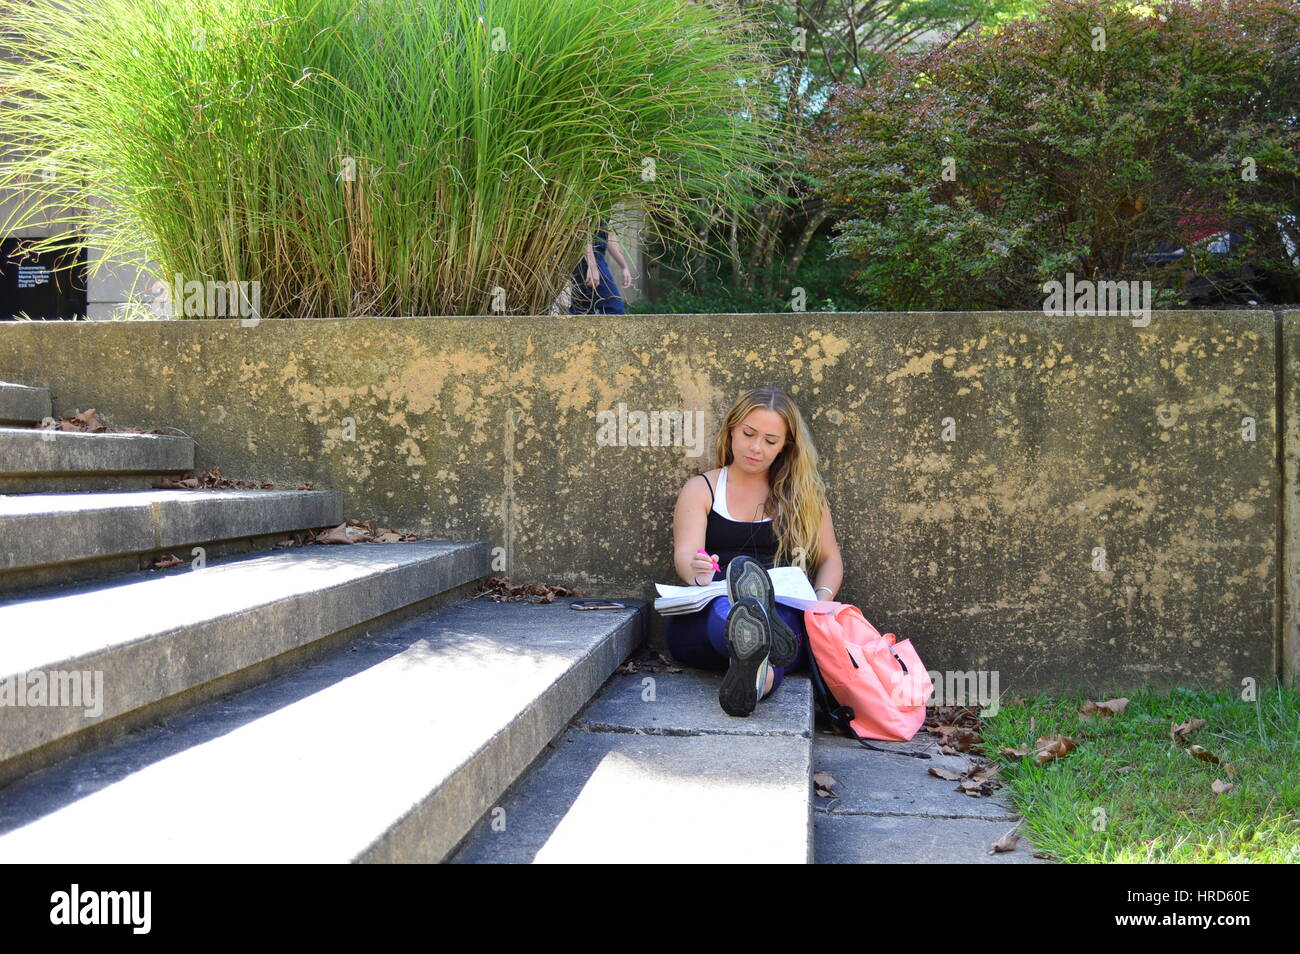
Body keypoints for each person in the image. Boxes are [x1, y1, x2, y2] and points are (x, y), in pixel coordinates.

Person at [664, 385, 843, 716]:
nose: (756, 447)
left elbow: (830, 558)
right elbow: (686, 555)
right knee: (725, 609)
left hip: (783, 603)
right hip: (708, 608)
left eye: (770, 441)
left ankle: (758, 671)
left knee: (786, 620)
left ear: (785, 448)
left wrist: (820, 601)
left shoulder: (804, 496)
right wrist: (697, 569)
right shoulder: (702, 489)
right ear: (732, 429)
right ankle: (757, 646)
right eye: (748, 433)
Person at [568, 219, 632, 315]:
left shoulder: (607, 207)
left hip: (595, 257)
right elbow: (582, 231)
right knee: (614, 308)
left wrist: (624, 266)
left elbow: (609, 234)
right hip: (587, 256)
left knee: (583, 308)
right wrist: (592, 265)